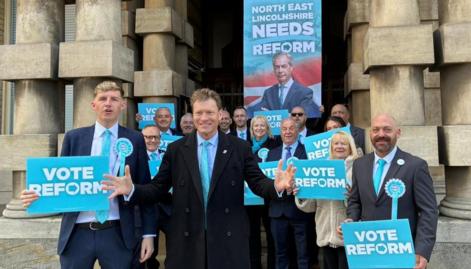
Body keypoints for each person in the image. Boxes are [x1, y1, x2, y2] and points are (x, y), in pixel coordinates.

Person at [102, 88, 296, 269]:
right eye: (199, 113)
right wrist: (133, 189)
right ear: (193, 115)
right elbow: (157, 188)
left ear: (219, 114)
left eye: (210, 113)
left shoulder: (239, 148)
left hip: (228, 237)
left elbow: (258, 183)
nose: (204, 118)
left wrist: (276, 186)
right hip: (187, 238)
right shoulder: (176, 149)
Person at [20, 81, 156, 269]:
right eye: (103, 99)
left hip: (117, 232)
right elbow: (61, 180)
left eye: (114, 99)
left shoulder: (134, 139)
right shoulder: (74, 138)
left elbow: (147, 189)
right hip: (77, 234)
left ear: (123, 104)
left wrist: (149, 235)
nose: (108, 103)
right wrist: (38, 195)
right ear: (94, 105)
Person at [339, 114, 438, 269]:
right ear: (370, 133)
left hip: (403, 252)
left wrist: (422, 250)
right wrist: (351, 219)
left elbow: (428, 211)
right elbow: (355, 201)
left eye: (387, 129)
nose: (381, 135)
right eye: (376, 130)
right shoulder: (360, 165)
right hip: (368, 251)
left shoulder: (415, 166)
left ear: (398, 132)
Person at [296, 131, 359, 269]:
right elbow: (309, 207)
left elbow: (361, 204)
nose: (339, 146)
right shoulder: (321, 169)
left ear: (350, 147)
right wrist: (302, 194)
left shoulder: (357, 169)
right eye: (336, 143)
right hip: (325, 234)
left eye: (343, 143)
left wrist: (349, 196)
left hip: (346, 235)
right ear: (331, 147)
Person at [266, 118, 311, 269]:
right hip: (277, 212)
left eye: (291, 128)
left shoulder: (308, 152)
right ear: (280, 131)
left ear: (298, 131)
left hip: (300, 211)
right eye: (284, 128)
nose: (287, 132)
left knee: (303, 255)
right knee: (280, 254)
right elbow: (267, 183)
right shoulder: (272, 155)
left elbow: (313, 180)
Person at [248, 115, 281, 269]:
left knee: (271, 234)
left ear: (267, 128)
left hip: (269, 197)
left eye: (262, 126)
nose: (259, 128)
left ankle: (272, 265)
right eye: (256, 126)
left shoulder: (275, 144)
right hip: (251, 198)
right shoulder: (246, 146)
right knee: (252, 235)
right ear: (252, 129)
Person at [247, 51, 320, 118]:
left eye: (283, 66)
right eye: (277, 67)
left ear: (291, 67)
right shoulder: (268, 93)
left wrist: (273, 115)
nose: (280, 70)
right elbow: (261, 116)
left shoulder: (305, 92)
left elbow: (304, 117)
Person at [141, 125, 171, 269]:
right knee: (149, 254)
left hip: (168, 208)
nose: (152, 140)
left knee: (175, 248)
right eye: (147, 137)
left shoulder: (168, 155)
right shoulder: (136, 158)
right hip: (146, 209)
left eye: (156, 137)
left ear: (160, 139)